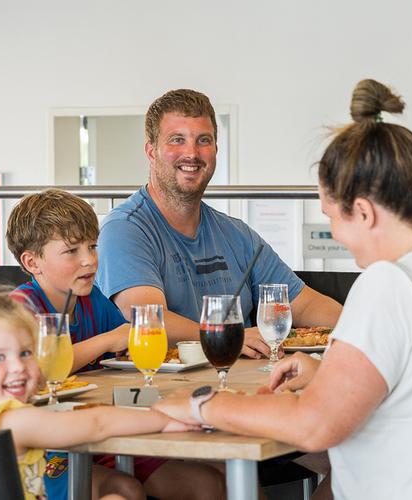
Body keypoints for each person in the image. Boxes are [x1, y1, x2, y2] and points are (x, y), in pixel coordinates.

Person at [153, 79, 412, 499]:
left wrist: (202, 404)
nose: (337, 234)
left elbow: (313, 424)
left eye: (333, 216)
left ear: (363, 212)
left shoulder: (393, 283)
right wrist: (328, 375)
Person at [5, 188, 226, 500]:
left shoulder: (91, 298)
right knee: (124, 489)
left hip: (106, 437)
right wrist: (108, 340)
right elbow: (37, 370)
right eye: (71, 251)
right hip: (45, 451)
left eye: (92, 247)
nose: (89, 260)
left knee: (212, 483)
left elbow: (129, 343)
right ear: (32, 262)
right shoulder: (19, 308)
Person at [96, 89, 342, 359]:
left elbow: (303, 304)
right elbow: (149, 320)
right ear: (151, 151)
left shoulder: (237, 234)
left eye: (204, 140)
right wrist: (228, 335)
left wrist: (359, 328)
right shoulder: (125, 229)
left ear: (215, 149)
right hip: (160, 390)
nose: (191, 153)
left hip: (244, 385)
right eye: (177, 140)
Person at [0, 286, 213, 500]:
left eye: (26, 353)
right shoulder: (9, 421)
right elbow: (96, 423)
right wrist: (164, 419)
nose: (18, 366)